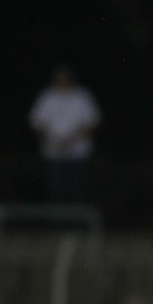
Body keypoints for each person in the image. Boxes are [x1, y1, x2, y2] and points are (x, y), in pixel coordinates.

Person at [29, 64, 101, 203]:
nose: (62, 81)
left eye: (65, 78)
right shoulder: (46, 97)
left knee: (78, 190)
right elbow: (37, 123)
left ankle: (78, 223)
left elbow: (92, 122)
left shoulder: (82, 97)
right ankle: (55, 223)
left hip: (78, 154)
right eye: (59, 78)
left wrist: (71, 140)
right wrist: (53, 140)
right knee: (54, 191)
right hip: (53, 153)